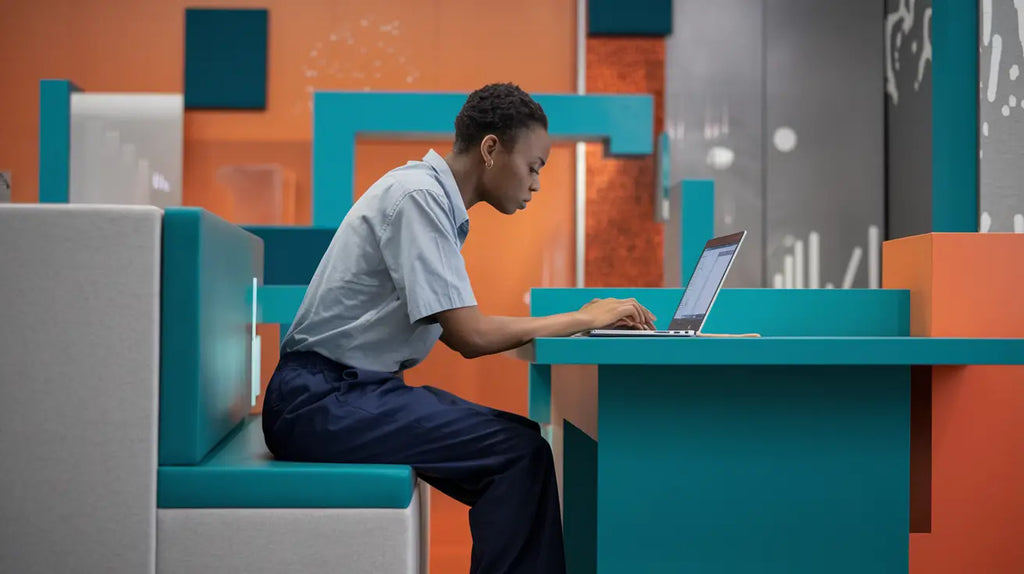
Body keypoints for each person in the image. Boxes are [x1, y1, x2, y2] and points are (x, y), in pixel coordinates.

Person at [261, 82, 656, 574]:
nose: (536, 184)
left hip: (340, 394)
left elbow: (462, 327)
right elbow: (470, 336)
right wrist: (584, 318)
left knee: (519, 441)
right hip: (318, 402)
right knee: (519, 453)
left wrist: (580, 319)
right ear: (491, 149)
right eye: (533, 167)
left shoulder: (426, 199)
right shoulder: (418, 198)